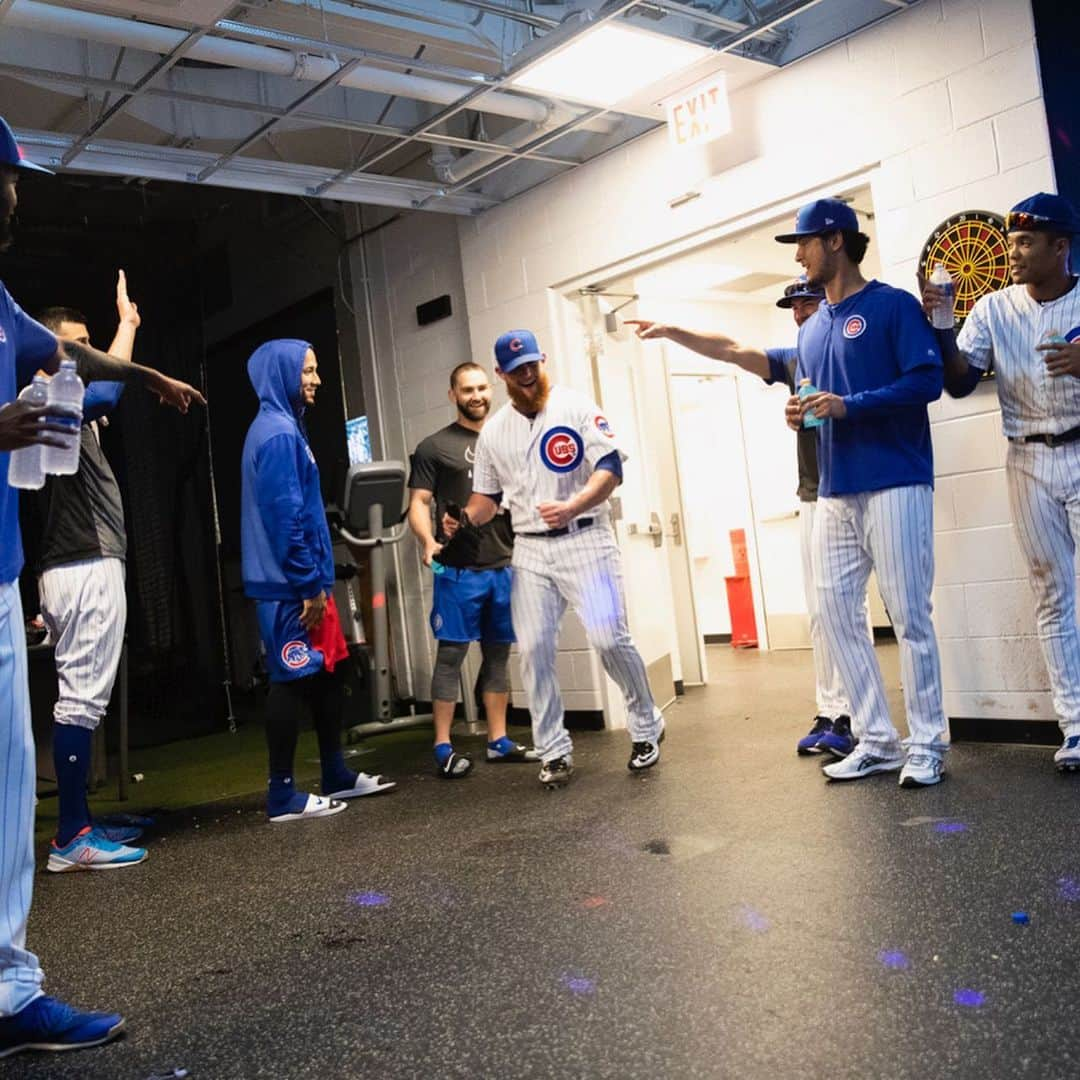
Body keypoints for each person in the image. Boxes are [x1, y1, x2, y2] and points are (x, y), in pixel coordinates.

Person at [0, 113, 205, 1061]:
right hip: (62, 567)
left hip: (16, 575)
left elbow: (83, 368)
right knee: (61, 719)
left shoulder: (9, 316)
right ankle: (74, 834)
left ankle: (8, 986)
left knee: (10, 782)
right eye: (7, 181)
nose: (14, 198)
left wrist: (143, 358)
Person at [627, 276, 860, 760]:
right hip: (815, 494)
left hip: (861, 490)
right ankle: (830, 710)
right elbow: (731, 350)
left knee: (847, 610)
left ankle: (857, 717)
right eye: (794, 308)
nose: (799, 315)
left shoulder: (854, 352)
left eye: (808, 304)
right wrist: (671, 330)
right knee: (821, 611)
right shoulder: (795, 361)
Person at [777, 197, 948, 787]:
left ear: (834, 242)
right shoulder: (813, 326)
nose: (797, 256)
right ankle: (877, 738)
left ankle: (927, 743)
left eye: (802, 243)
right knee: (834, 613)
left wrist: (850, 406)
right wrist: (803, 413)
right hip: (834, 488)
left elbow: (927, 382)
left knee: (909, 616)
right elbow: (816, 395)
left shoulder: (894, 306)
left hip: (896, 479)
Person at [448, 330, 664, 788]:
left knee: (609, 638)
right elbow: (486, 498)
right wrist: (463, 521)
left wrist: (574, 505)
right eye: (518, 371)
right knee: (534, 649)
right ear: (501, 375)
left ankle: (646, 725)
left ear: (542, 360)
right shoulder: (495, 433)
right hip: (529, 552)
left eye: (533, 365)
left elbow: (611, 468)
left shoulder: (577, 407)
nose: (528, 376)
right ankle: (553, 749)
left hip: (587, 541)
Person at [923, 192, 1080, 774]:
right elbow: (960, 384)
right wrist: (942, 327)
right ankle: (1076, 727)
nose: (1011, 250)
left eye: (1025, 241)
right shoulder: (993, 307)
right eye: (1012, 240)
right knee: (1052, 594)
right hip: (1028, 458)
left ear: (1059, 246)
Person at [241, 338, 395, 822]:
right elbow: (284, 518)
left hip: (307, 583)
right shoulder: (277, 435)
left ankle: (334, 773)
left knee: (330, 671)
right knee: (290, 680)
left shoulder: (289, 428)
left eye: (316, 369)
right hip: (289, 587)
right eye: (307, 370)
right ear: (283, 374)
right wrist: (308, 584)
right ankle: (282, 795)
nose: (316, 380)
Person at [35, 279, 148, 872]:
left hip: (81, 563)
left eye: (88, 345)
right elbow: (107, 392)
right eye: (71, 348)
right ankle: (71, 839)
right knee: (78, 704)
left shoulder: (66, 402)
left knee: (85, 703)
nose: (82, 357)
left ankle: (79, 823)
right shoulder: (50, 399)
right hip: (81, 564)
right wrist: (125, 328)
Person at [407, 361, 536, 777]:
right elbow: (418, 503)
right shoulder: (434, 447)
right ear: (453, 395)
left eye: (482, 387)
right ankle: (443, 746)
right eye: (467, 389)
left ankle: (497, 739)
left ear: (492, 389)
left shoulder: (509, 436)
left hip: (505, 565)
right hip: (458, 568)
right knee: (451, 656)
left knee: (498, 656)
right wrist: (428, 542)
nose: (476, 395)